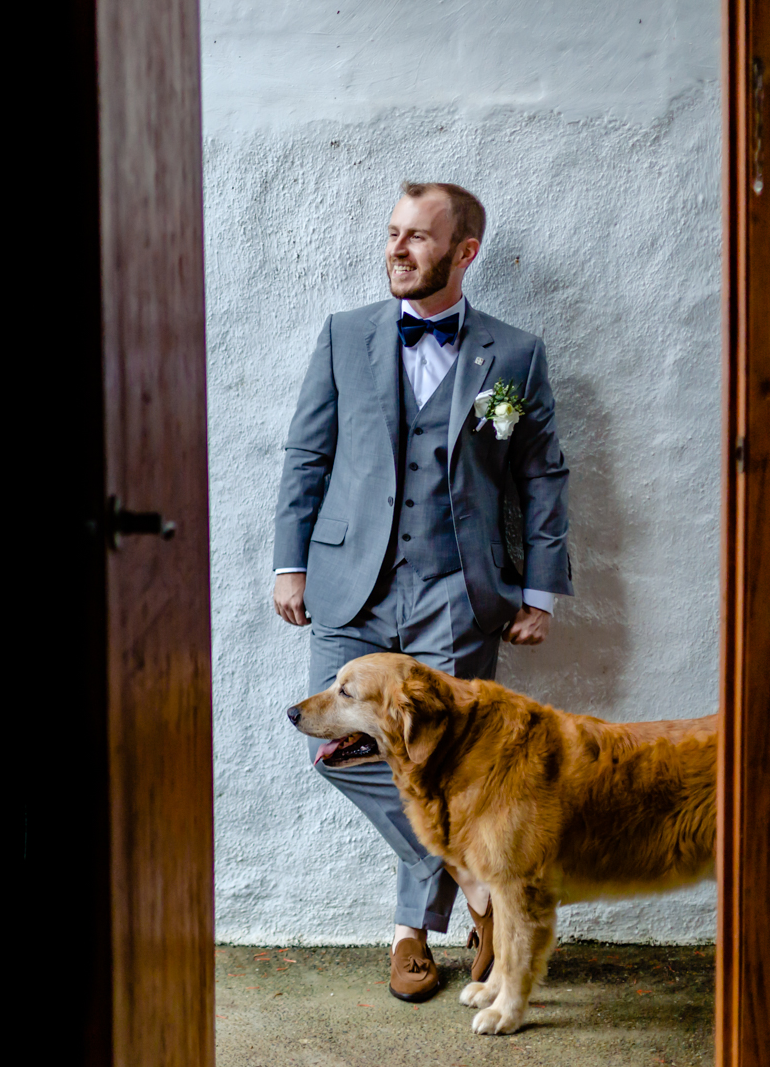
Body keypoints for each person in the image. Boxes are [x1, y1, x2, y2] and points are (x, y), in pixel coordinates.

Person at [271, 181, 572, 1002]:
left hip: (459, 587)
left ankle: (409, 934)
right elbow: (307, 456)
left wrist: (541, 589)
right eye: (392, 232)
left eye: (417, 237)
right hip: (346, 586)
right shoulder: (344, 336)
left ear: (463, 252)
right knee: (326, 743)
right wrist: (288, 561)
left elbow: (541, 478)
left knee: (452, 756)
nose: (397, 248)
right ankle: (473, 887)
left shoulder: (515, 355)